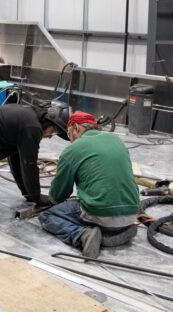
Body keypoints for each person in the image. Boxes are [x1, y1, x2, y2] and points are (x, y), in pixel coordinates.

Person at [39, 111, 140, 259]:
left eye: (69, 134)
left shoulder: (73, 149)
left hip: (100, 213)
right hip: (131, 213)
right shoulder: (116, 140)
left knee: (48, 216)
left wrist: (52, 199)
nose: (71, 139)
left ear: (76, 128)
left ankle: (82, 235)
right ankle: (118, 233)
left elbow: (58, 195)